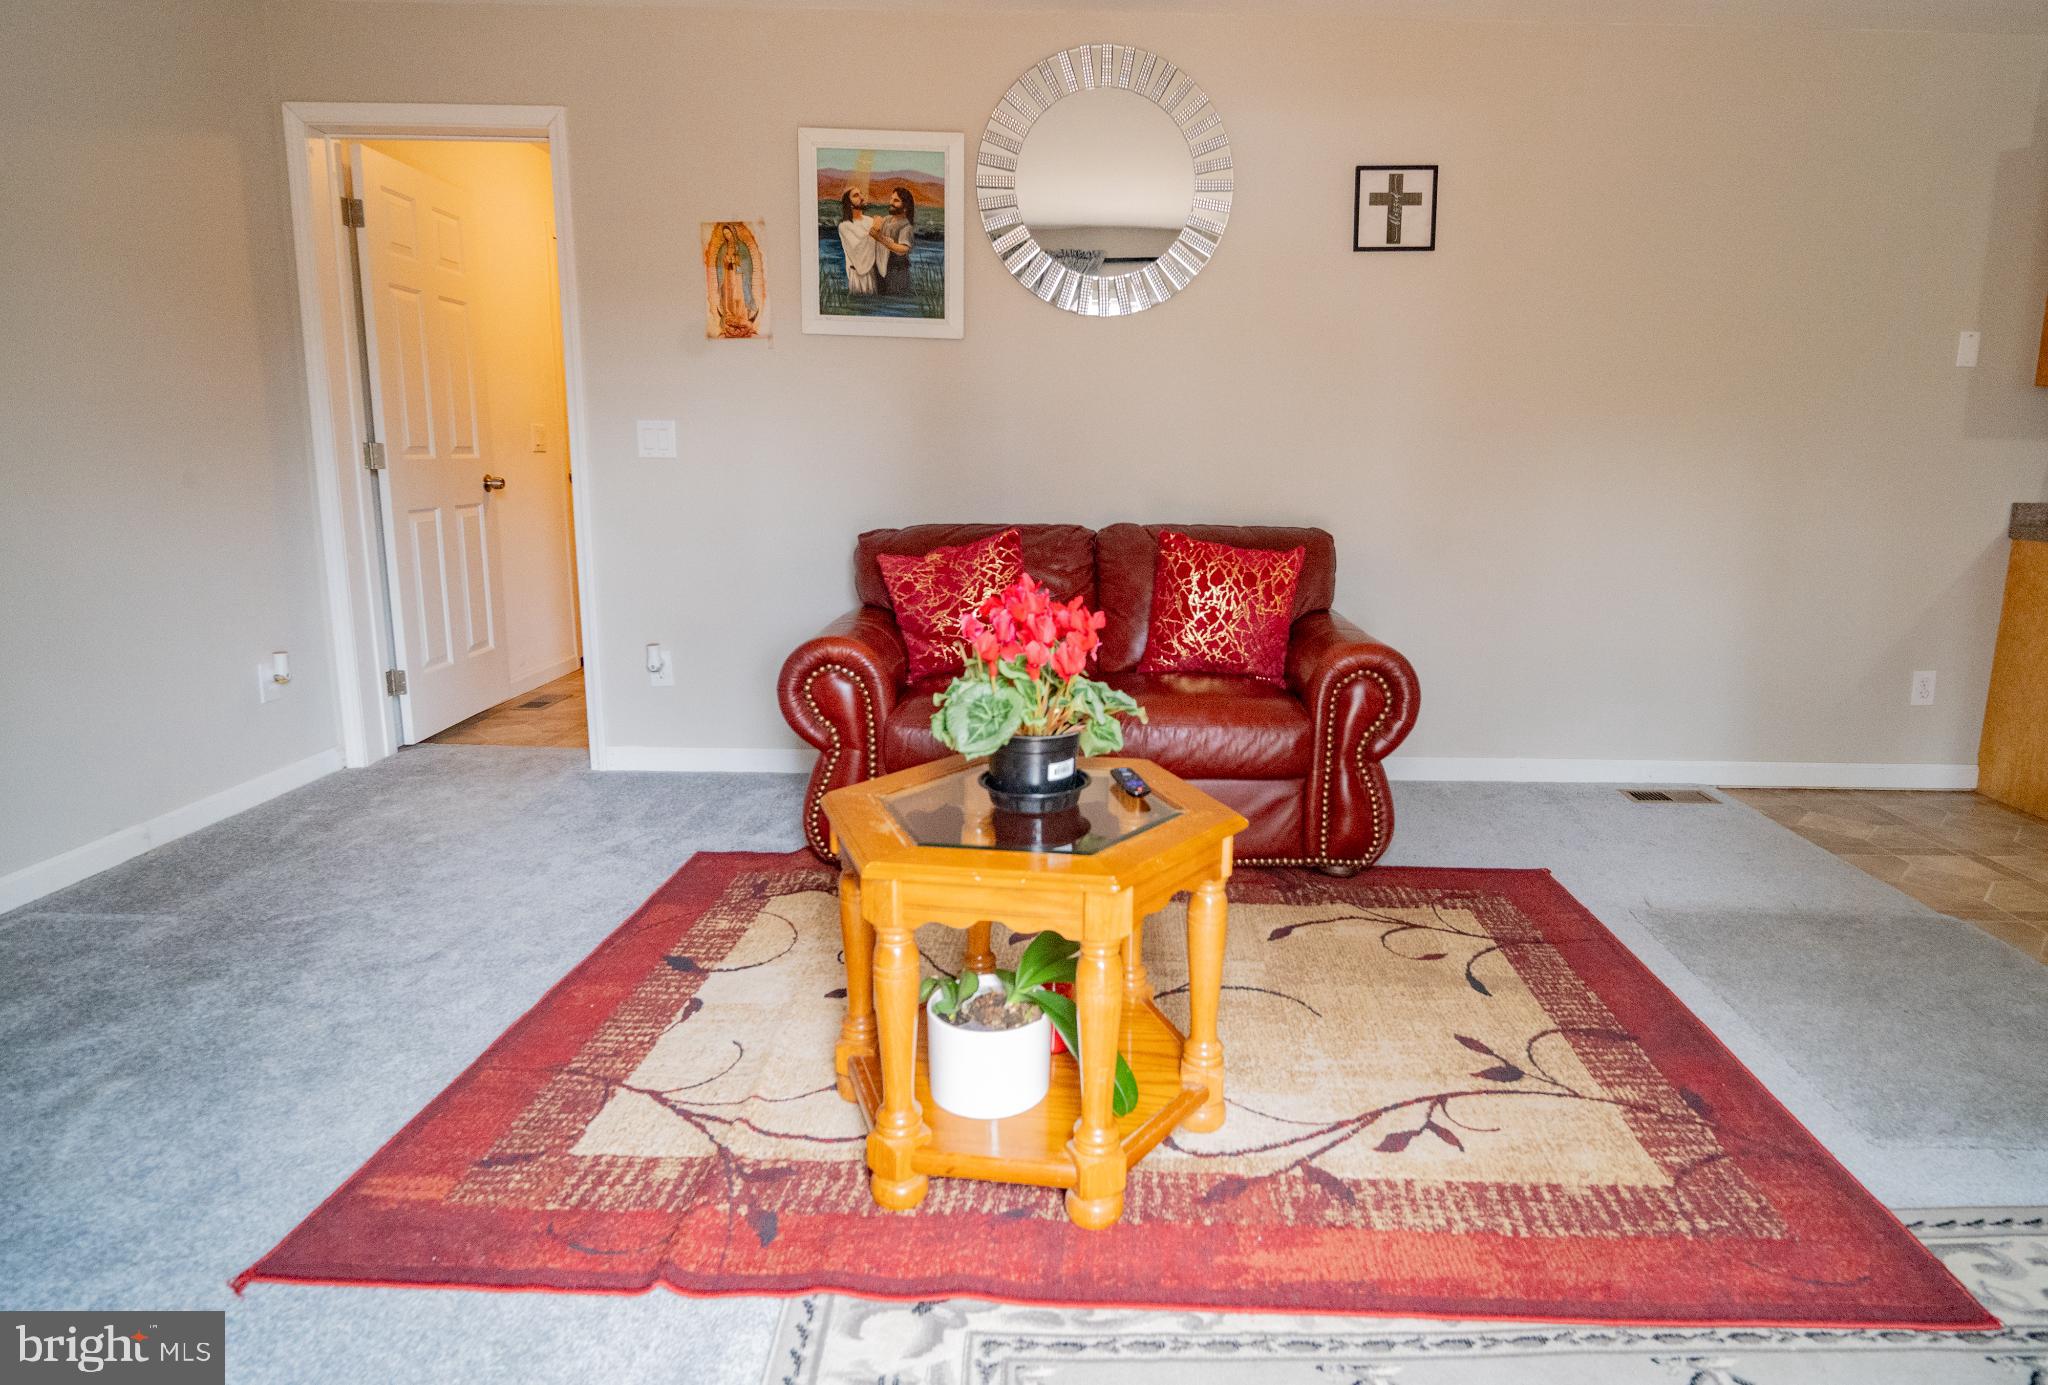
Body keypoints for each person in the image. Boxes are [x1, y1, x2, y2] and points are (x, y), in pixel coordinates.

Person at [836, 188, 879, 295]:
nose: (862, 197)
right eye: (856, 195)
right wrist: (875, 229)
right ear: (849, 204)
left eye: (861, 194)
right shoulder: (844, 226)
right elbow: (857, 248)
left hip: (873, 273)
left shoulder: (870, 221)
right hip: (857, 275)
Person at [876, 187, 916, 297]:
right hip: (882, 267)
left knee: (894, 298)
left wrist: (879, 238)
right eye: (891, 199)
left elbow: (903, 249)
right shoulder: (887, 219)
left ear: (906, 206)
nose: (891, 202)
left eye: (896, 200)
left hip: (897, 271)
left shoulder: (906, 226)